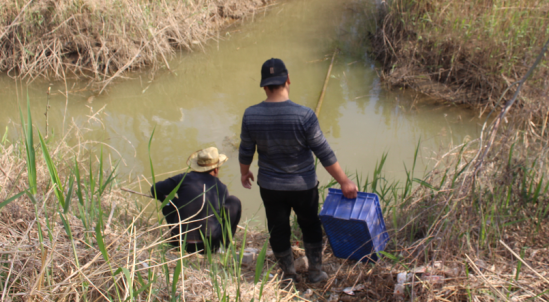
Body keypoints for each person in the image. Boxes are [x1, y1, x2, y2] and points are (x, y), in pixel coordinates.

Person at [239, 58, 358, 283]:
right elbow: (323, 152)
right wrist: (344, 181)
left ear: (264, 86)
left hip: (270, 187)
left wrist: (244, 172)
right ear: (288, 80)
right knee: (310, 226)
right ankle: (315, 272)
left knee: (278, 229)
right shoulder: (304, 115)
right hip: (303, 187)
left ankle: (288, 276)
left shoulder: (251, 115)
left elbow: (246, 150)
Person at [151, 147, 241, 253]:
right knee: (234, 202)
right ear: (216, 169)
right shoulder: (221, 187)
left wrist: (169, 200)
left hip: (179, 242)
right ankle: (224, 245)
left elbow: (155, 189)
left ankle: (179, 233)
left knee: (169, 201)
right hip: (209, 245)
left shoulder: (183, 178)